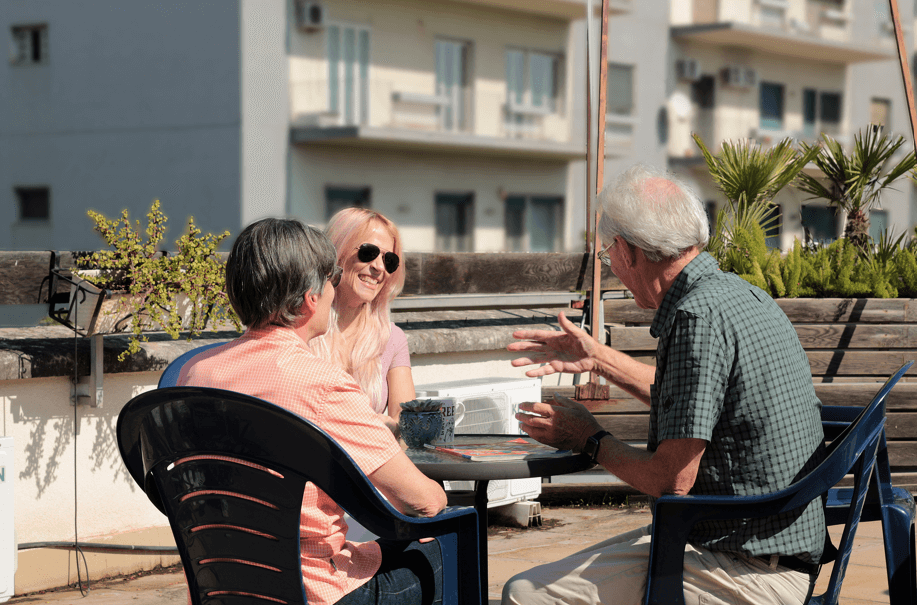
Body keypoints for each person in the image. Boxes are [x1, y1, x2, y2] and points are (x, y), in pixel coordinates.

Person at [502, 164, 827, 605]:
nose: (611, 265)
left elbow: (670, 480)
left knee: (525, 594)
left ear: (629, 251)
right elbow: (696, 403)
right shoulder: (740, 295)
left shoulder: (695, 317)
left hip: (746, 567)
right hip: (766, 543)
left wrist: (589, 439)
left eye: (608, 254)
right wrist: (598, 357)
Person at [177, 217, 448, 605]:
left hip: (221, 585)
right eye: (329, 281)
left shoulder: (195, 373)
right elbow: (421, 501)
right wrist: (439, 497)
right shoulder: (320, 382)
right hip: (309, 590)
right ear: (310, 298)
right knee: (442, 546)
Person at [311, 208, 412, 436]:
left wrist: (386, 425)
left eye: (389, 260)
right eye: (368, 252)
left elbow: (407, 421)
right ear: (337, 252)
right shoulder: (303, 327)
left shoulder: (392, 338)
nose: (378, 267)